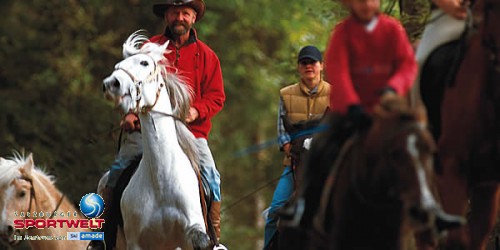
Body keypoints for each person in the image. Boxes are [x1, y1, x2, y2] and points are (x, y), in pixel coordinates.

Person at [89, 0, 225, 249]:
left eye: (185, 13)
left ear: (193, 18)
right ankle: (100, 239)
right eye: (174, 12)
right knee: (115, 173)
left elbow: (217, 97)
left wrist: (197, 110)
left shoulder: (207, 56)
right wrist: (130, 113)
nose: (179, 17)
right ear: (167, 16)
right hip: (146, 130)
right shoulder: (148, 49)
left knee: (211, 176)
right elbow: (130, 84)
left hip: (191, 132)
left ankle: (213, 238)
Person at [288, 0, 417, 232]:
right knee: (319, 148)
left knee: (418, 143)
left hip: (387, 109)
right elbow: (338, 71)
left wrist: (393, 88)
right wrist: (352, 105)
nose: (366, 4)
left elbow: (407, 65)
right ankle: (304, 207)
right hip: (350, 114)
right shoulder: (342, 33)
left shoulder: (392, 29)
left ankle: (427, 205)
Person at [263, 45, 330, 249]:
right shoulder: (286, 94)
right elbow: (282, 133)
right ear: (299, 67)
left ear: (321, 66)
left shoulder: (334, 93)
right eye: (304, 63)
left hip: (326, 165)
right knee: (274, 212)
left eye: (313, 62)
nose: (309, 66)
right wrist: (291, 150)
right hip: (296, 164)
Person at [411, 0, 467, 140]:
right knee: (418, 62)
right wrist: (450, 5)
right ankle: (422, 129)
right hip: (448, 18)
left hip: (489, 17)